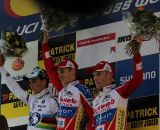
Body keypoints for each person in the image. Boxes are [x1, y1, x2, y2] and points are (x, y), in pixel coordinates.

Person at [42, 31, 95, 130]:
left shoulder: (82, 90)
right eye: (59, 72)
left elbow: (92, 116)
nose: (59, 75)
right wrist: (45, 45)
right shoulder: (62, 88)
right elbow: (49, 69)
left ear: (72, 71)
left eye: (62, 71)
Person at [92, 36, 143, 130]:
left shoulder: (119, 92)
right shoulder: (95, 101)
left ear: (109, 75)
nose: (95, 78)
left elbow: (137, 80)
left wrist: (137, 56)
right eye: (94, 75)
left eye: (98, 74)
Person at [0, 54, 58, 130]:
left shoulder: (53, 101)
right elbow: (15, 88)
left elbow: (65, 124)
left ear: (43, 81)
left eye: (34, 81)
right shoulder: (32, 99)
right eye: (30, 82)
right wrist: (1, 67)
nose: (31, 85)